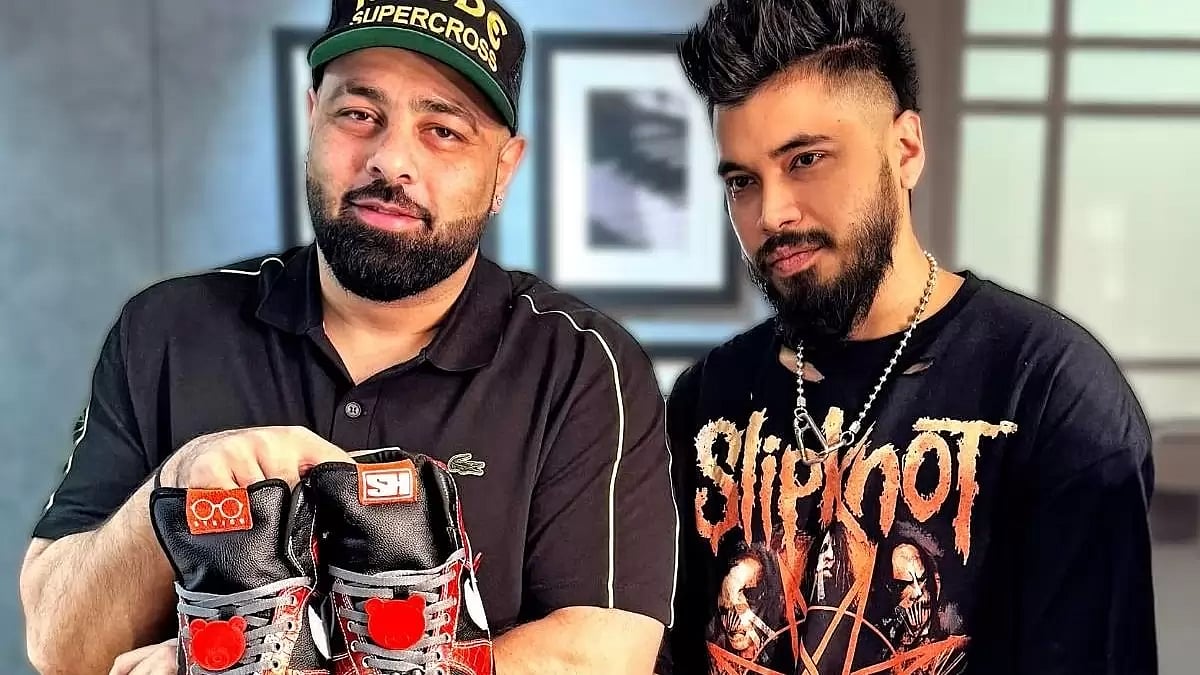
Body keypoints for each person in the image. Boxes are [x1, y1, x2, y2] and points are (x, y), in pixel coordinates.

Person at [19, 0, 676, 673]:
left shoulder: (580, 365)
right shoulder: (165, 333)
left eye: (443, 130)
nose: (390, 161)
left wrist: (239, 665)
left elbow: (599, 653)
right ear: (313, 118)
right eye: (359, 114)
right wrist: (176, 484)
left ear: (503, 168)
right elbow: (58, 643)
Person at [660, 1, 1158, 674]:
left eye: (806, 159)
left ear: (906, 150)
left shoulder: (1051, 392)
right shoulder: (707, 398)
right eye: (743, 181)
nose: (771, 213)